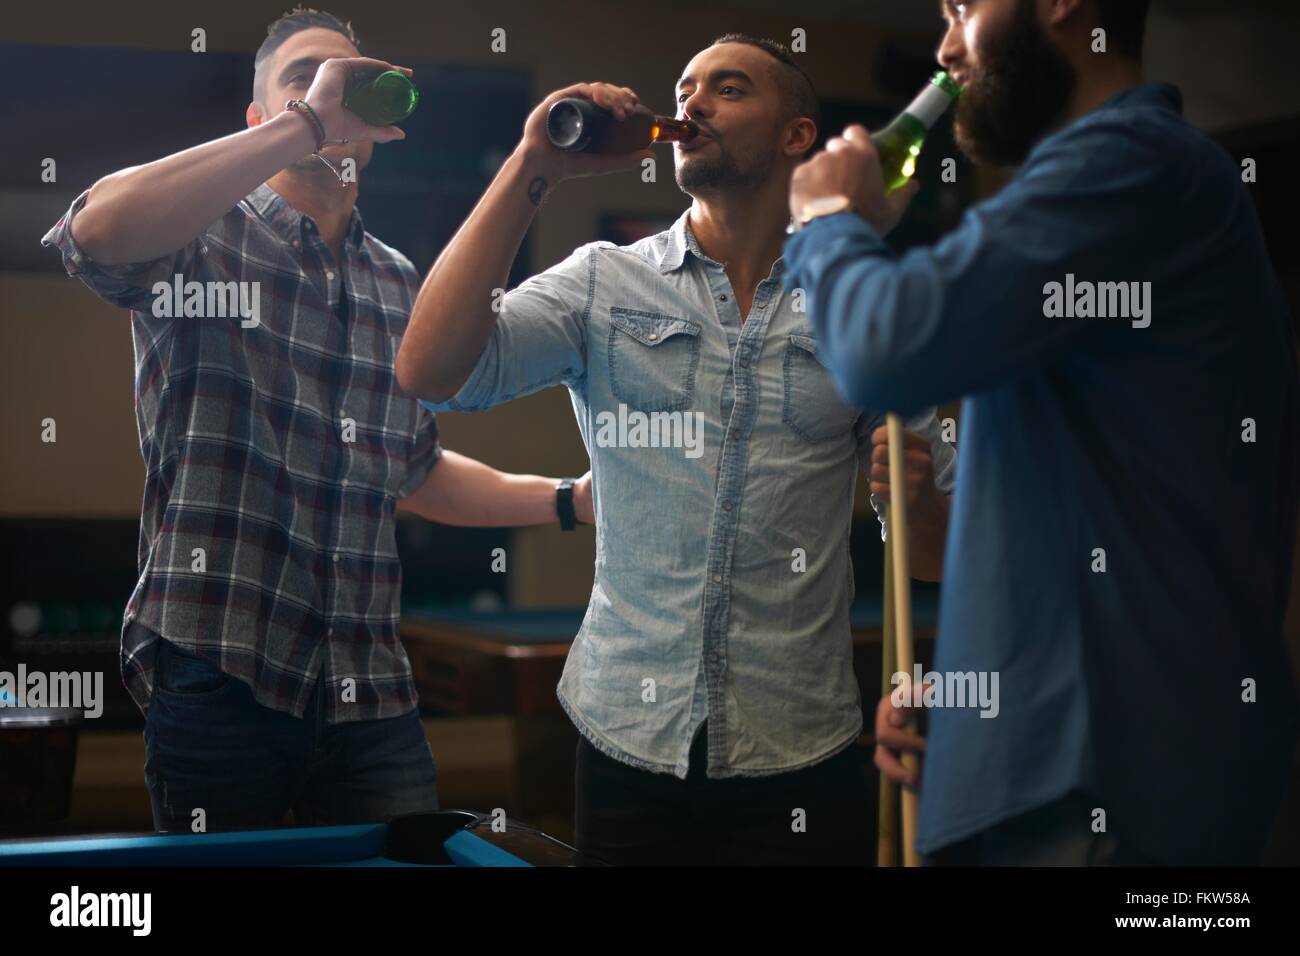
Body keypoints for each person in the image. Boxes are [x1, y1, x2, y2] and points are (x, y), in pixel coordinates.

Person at [396, 34, 956, 866]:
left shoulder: (860, 299)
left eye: (729, 90)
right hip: (628, 740)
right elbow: (432, 371)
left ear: (797, 135)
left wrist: (920, 502)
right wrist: (534, 163)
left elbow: (934, 561)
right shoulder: (601, 280)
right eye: (687, 89)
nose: (692, 105)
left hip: (803, 749)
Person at [41, 6, 591, 833]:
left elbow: (416, 468)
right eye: (301, 78)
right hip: (220, 673)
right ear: (262, 119)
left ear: (375, 131)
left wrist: (569, 500)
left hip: (372, 692)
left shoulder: (398, 280)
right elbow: (95, 234)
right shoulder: (199, 239)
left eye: (346, 80)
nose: (330, 92)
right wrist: (308, 124)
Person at [785, 0, 1299, 865]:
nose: (948, 49)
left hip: (1118, 782)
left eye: (962, 9)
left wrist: (827, 220)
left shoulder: (1134, 160)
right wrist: (986, 708)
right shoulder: (1108, 193)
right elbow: (1061, 525)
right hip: (1072, 761)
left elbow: (885, 349)